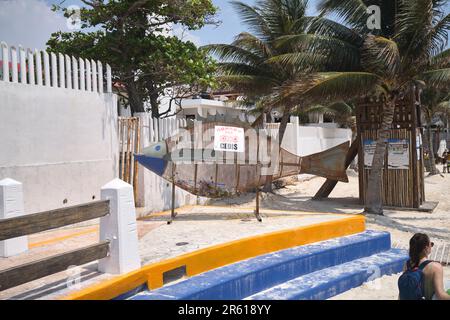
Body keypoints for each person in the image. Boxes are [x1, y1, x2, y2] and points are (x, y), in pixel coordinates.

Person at [398, 233, 450, 300]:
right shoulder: (435, 267)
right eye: (431, 244)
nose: (431, 246)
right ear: (426, 248)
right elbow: (440, 295)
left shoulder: (407, 264)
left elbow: (403, 290)